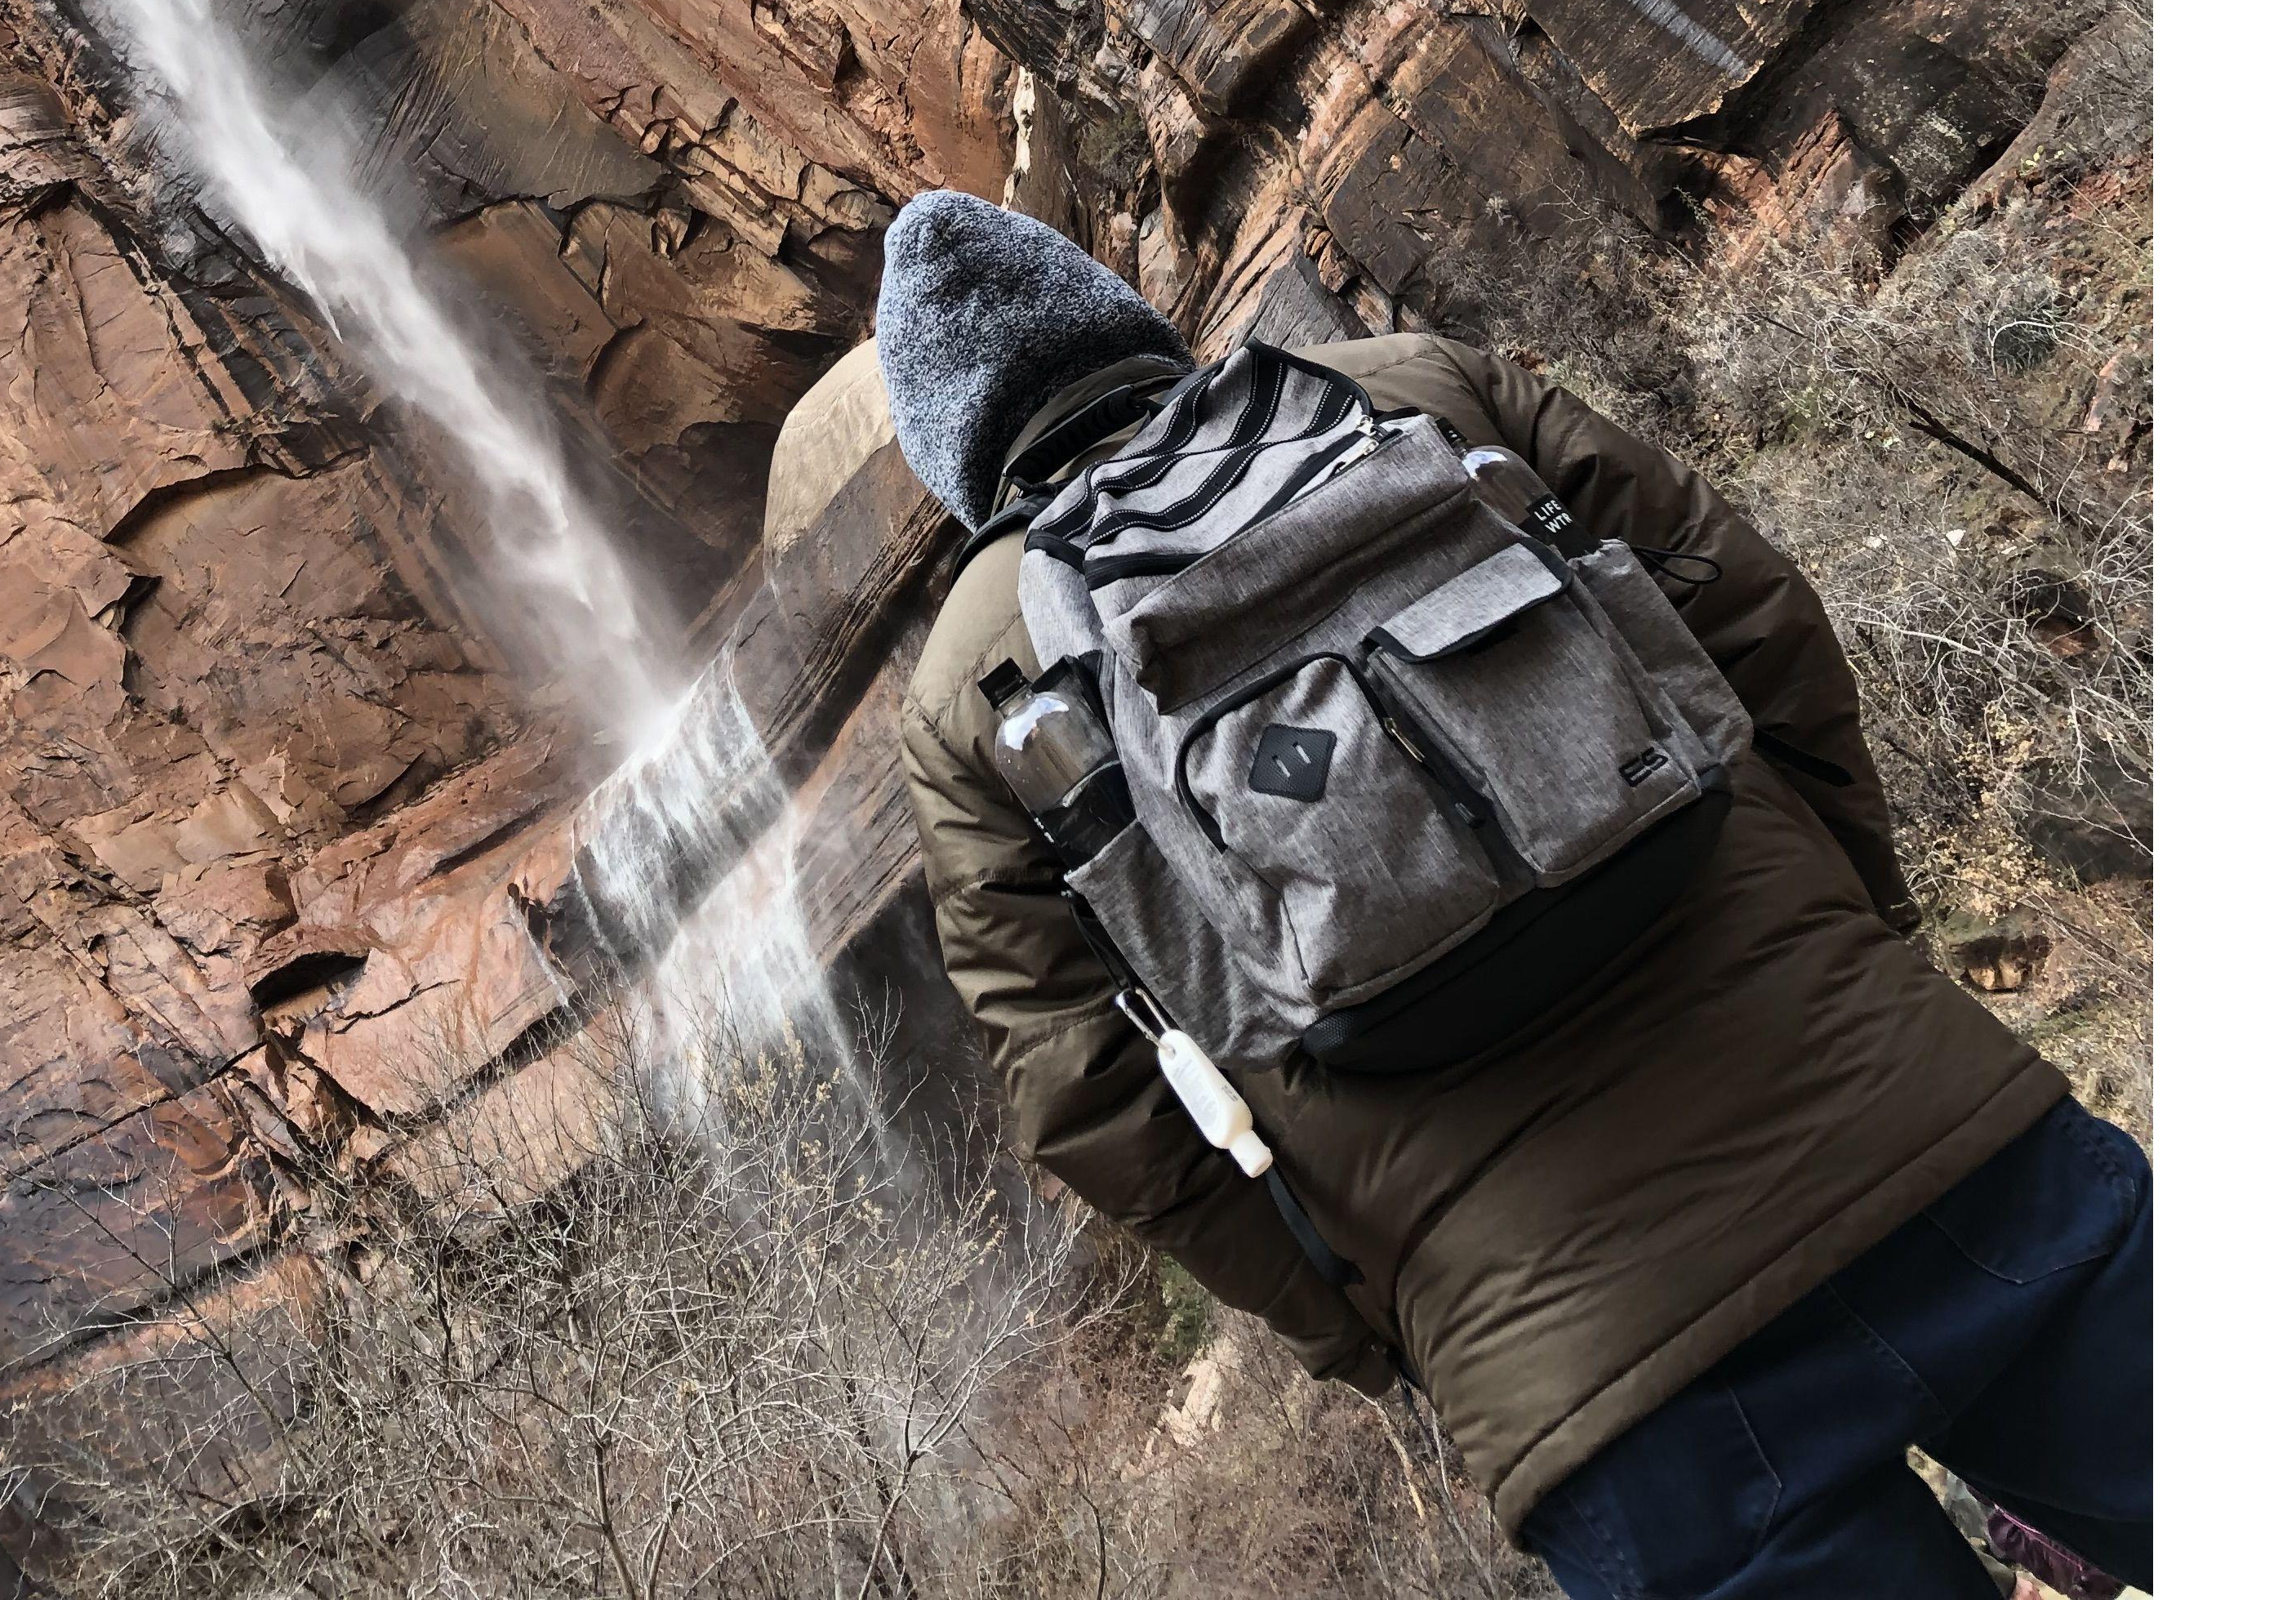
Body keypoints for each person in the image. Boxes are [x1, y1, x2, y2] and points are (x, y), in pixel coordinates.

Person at [879, 189, 2151, 1599]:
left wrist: (1372, 1324)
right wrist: (1864, 940)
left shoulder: (972, 692)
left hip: (1595, 1380)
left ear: (956, 458)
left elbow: (1092, 1103)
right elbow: (1757, 620)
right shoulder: (1410, 387)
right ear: (1121, 319)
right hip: (1925, 1126)